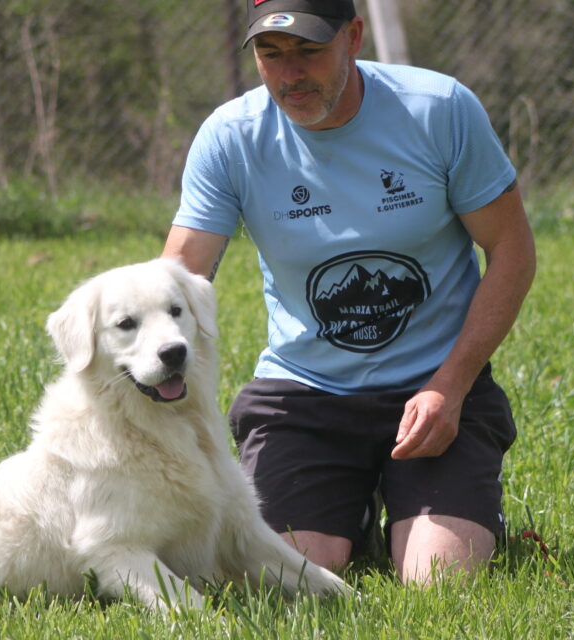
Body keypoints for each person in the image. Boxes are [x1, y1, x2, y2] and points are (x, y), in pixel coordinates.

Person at [161, 0, 536, 585]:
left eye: (309, 51)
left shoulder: (438, 110)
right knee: (278, 581)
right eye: (270, 54)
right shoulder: (231, 137)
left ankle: (442, 509)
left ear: (354, 36)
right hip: (303, 398)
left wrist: (451, 383)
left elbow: (512, 251)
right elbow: (177, 278)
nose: (290, 75)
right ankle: (352, 509)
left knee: (439, 581)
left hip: (434, 390)